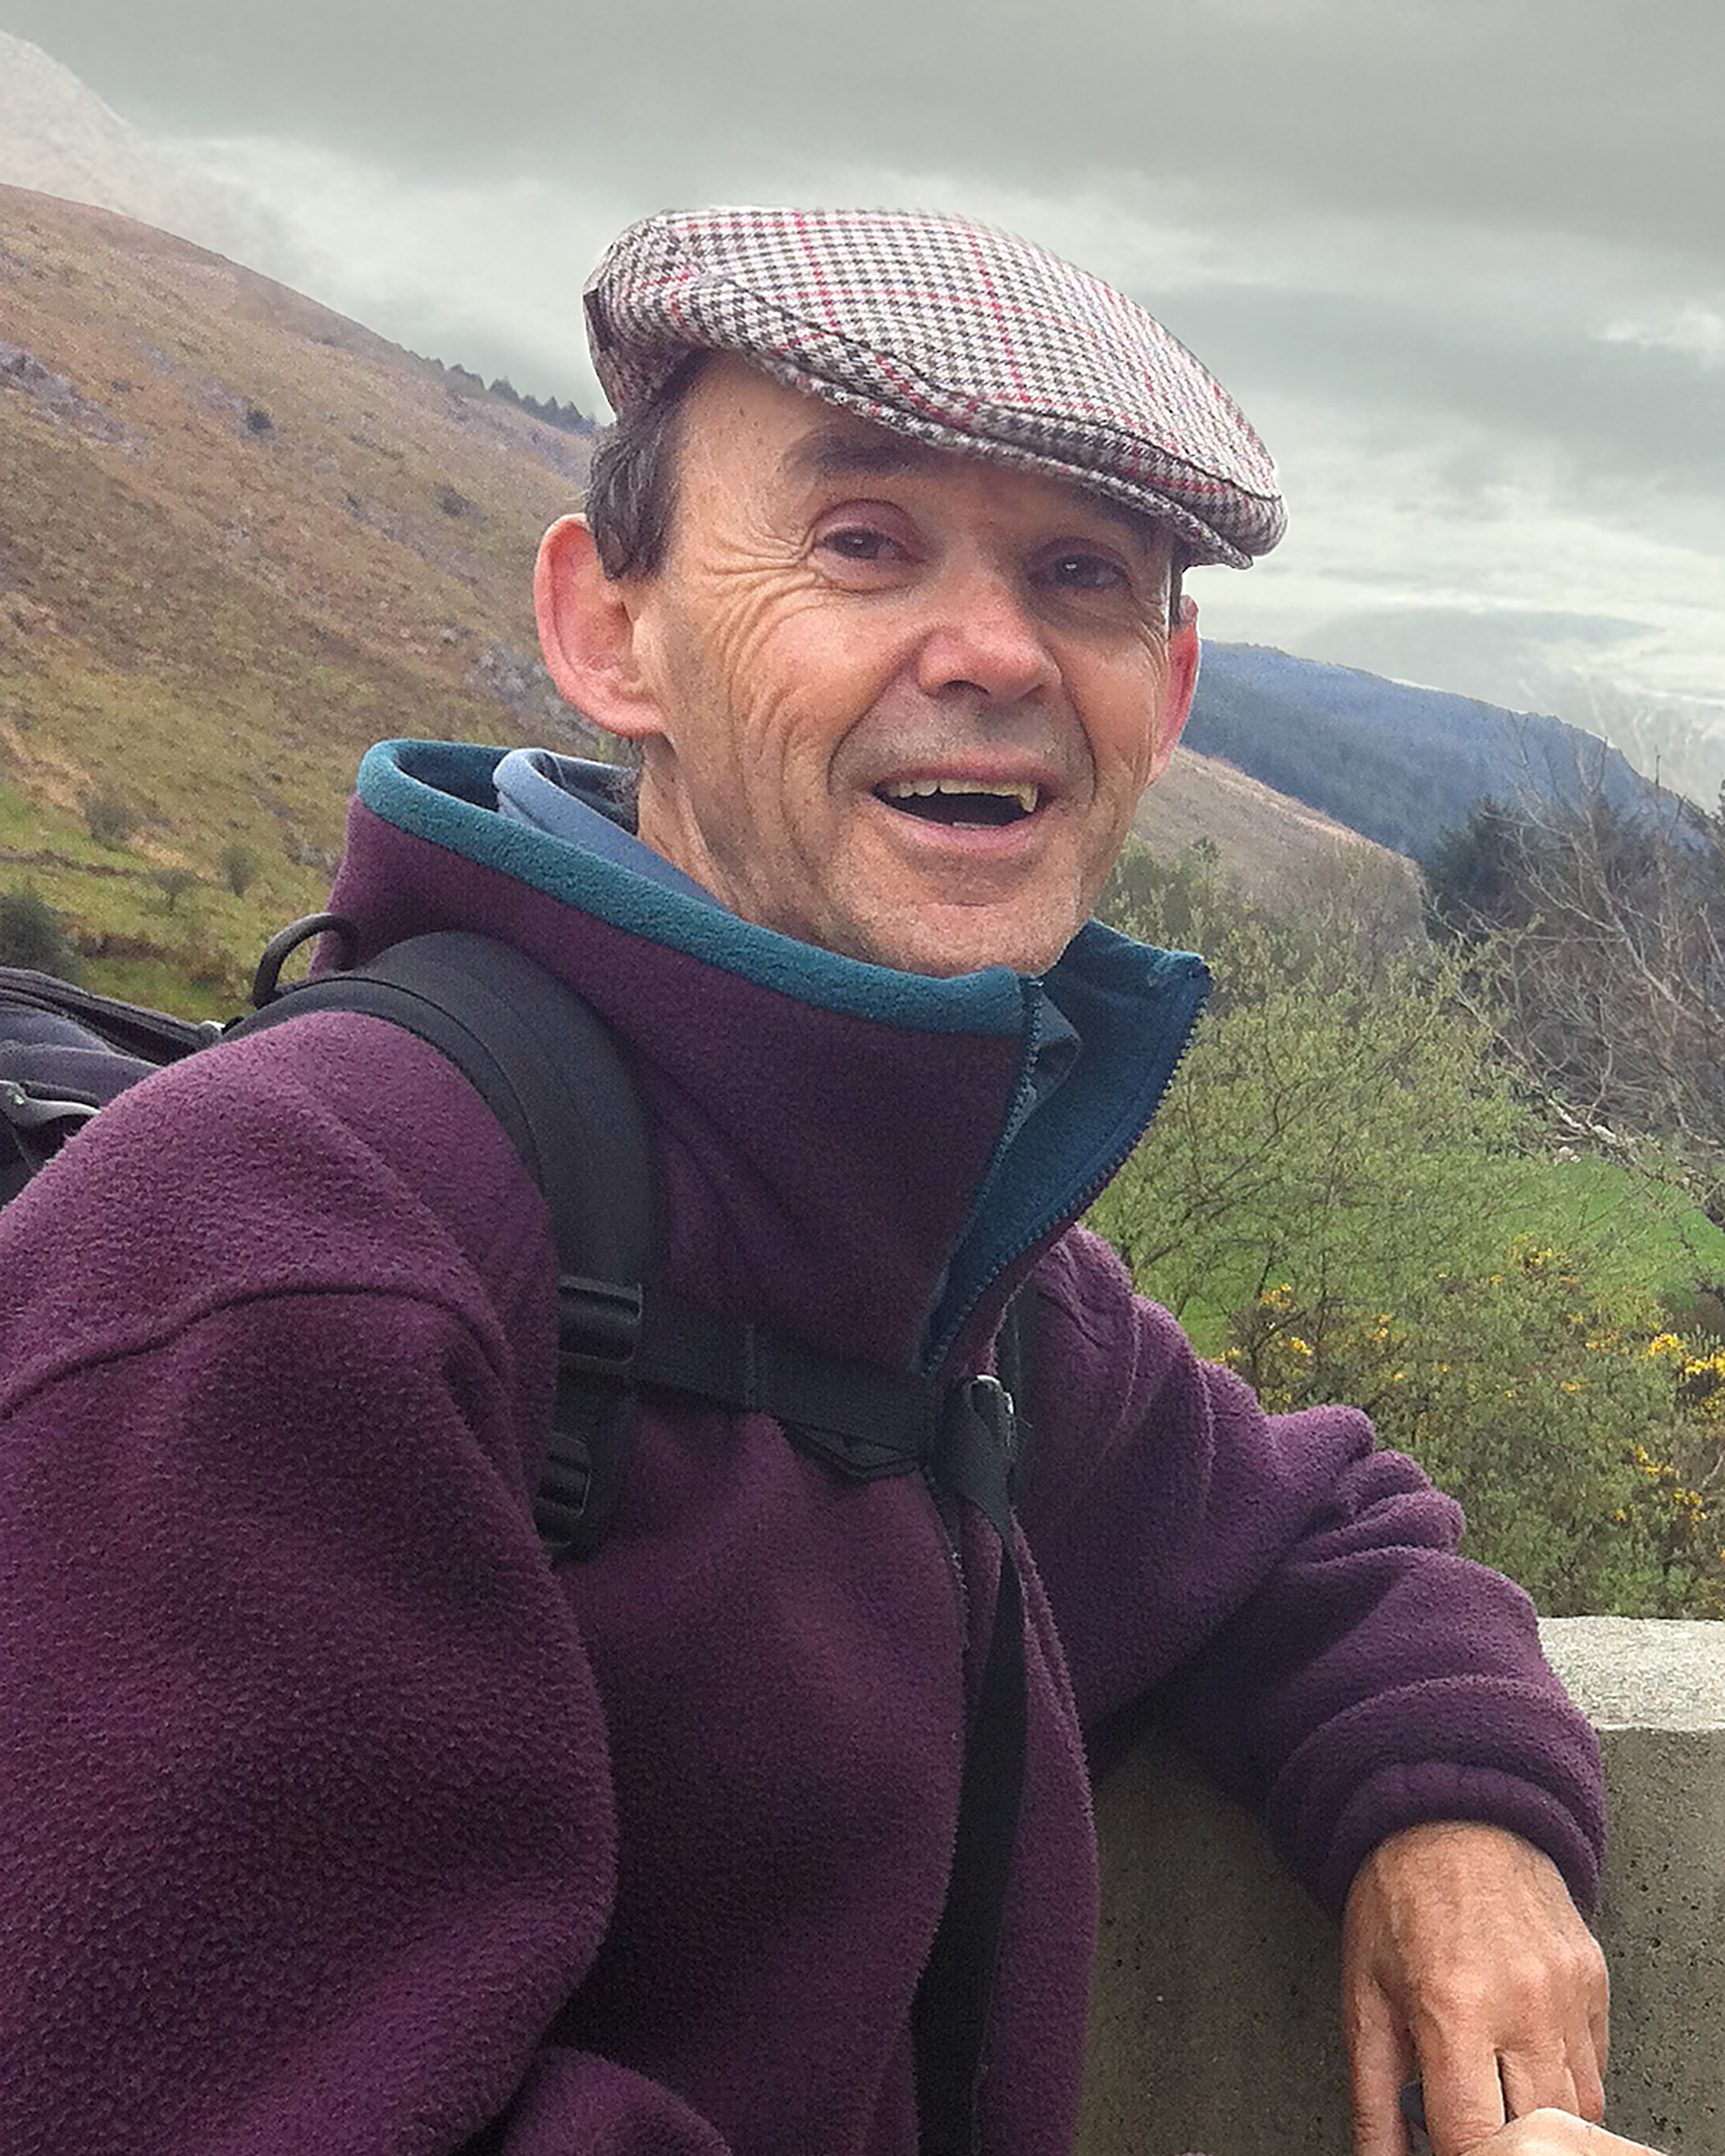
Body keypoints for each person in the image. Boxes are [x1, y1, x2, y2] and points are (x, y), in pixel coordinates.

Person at [0, 207, 1609, 2156]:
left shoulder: (934, 1261)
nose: (995, 652)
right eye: (861, 543)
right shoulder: (296, 1244)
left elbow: (1300, 1534)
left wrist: (1458, 1825)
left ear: (1167, 693)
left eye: (1083, 577)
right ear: (611, 632)